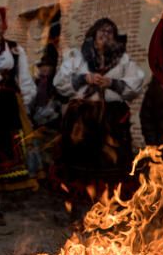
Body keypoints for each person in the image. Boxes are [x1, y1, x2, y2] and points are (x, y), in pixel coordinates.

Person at [53, 18, 144, 213]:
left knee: (111, 161)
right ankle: (80, 204)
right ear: (93, 34)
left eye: (110, 32)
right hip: (82, 117)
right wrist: (84, 78)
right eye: (101, 31)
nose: (105, 35)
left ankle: (110, 205)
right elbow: (60, 81)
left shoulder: (123, 59)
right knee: (81, 159)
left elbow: (136, 82)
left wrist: (112, 83)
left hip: (111, 117)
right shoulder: (77, 57)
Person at [0, 7, 37, 224]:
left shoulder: (14, 50)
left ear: (2, 24)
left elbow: (25, 81)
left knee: (2, 158)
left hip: (6, 110)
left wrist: (25, 110)